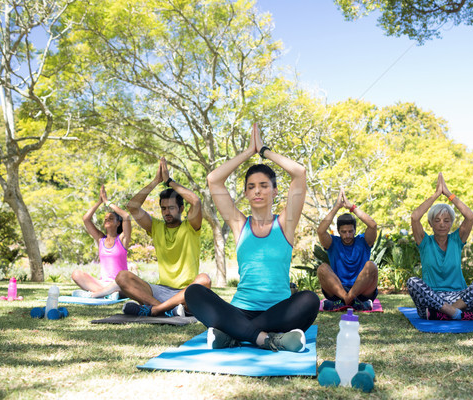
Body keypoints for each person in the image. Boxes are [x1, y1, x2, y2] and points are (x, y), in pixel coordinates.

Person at [184, 124, 320, 353]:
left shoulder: (285, 223)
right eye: (251, 187)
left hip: (279, 312)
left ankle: (234, 335)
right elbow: (214, 180)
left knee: (310, 299)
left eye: (264, 186)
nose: (257, 191)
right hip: (240, 310)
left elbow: (299, 173)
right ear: (246, 193)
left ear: (275, 191)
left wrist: (264, 150)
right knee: (193, 292)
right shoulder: (240, 225)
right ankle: (267, 339)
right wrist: (248, 152)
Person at [117, 157, 211, 316]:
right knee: (122, 276)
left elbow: (195, 201)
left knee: (204, 280)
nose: (167, 212)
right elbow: (132, 206)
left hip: (186, 293)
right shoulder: (156, 227)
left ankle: (156, 309)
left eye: (171, 208)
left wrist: (169, 181)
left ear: (181, 208)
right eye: (164, 208)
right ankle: (167, 309)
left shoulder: (191, 226)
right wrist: (155, 181)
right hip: (160, 291)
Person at [408, 172, 473, 320]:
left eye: (447, 220)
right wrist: (437, 194)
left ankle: (448, 312)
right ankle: (462, 313)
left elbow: (470, 216)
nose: (442, 224)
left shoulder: (457, 239)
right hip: (433, 298)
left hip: (459, 298)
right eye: (437, 220)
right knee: (412, 282)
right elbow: (415, 217)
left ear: (451, 223)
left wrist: (448, 193)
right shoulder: (424, 242)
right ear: (430, 223)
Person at [317, 188, 378, 312]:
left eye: (350, 231)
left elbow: (373, 225)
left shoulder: (363, 241)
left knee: (371, 266)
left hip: (362, 291)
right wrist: (336, 207)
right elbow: (320, 231)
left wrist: (351, 207)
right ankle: (351, 301)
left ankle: (345, 301)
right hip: (338, 291)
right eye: (344, 232)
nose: (348, 235)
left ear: (355, 230)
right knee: (322, 268)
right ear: (339, 231)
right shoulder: (333, 243)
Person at [71, 185, 131, 299]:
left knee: (121, 284)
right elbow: (86, 219)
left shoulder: (122, 239)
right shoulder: (101, 239)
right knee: (76, 274)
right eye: (105, 219)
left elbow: (126, 216)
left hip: (120, 284)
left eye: (111, 218)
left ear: (118, 223)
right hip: (103, 284)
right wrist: (99, 202)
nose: (107, 220)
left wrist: (107, 202)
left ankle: (96, 294)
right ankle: (106, 294)